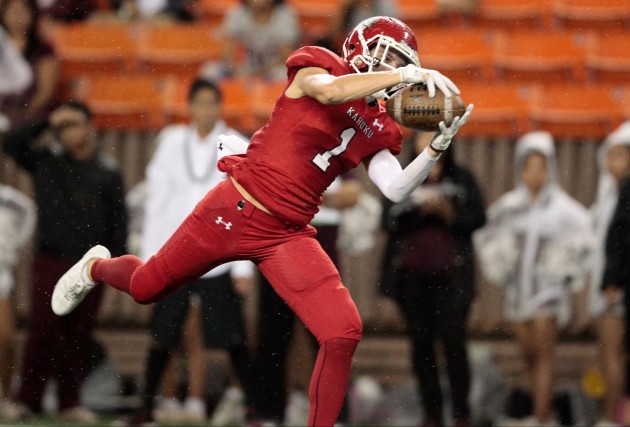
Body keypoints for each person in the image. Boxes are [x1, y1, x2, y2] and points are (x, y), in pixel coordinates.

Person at [51, 16, 473, 427]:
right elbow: (330, 94)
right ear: (363, 47)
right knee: (146, 287)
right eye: (394, 59)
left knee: (343, 331)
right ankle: (96, 267)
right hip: (235, 208)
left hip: (287, 235)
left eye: (404, 65)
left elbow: (396, 188)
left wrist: (434, 148)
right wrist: (399, 78)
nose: (399, 70)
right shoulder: (319, 65)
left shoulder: (380, 124)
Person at [119, 78, 256, 426]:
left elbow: (245, 203)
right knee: (162, 334)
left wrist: (243, 268)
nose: (206, 110)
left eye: (212, 103)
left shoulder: (235, 143)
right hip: (173, 253)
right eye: (200, 103)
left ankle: (255, 410)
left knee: (233, 337)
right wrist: (149, 259)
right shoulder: (171, 142)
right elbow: (156, 202)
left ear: (219, 107)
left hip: (219, 255)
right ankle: (145, 408)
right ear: (191, 106)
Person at [1, 100, 127, 423]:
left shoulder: (107, 172)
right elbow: (10, 143)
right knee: (42, 331)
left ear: (90, 127)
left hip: (91, 267)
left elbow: (118, 226)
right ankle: (27, 400)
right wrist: (47, 119)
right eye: (63, 127)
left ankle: (71, 401)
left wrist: (115, 273)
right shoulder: (47, 163)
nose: (67, 133)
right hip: (51, 261)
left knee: (78, 334)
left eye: (73, 124)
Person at [474, 131, 593, 426]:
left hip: (547, 294)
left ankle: (540, 417)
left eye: (542, 167)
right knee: (529, 356)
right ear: (521, 169)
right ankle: (541, 411)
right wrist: (500, 261)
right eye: (530, 167)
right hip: (517, 294)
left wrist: (564, 269)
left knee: (543, 356)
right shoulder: (510, 206)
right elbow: (485, 235)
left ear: (550, 169)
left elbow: (586, 240)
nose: (536, 174)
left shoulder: (563, 209)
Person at [379, 131, 486, 427]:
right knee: (421, 346)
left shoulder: (462, 178)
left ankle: (461, 413)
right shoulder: (401, 177)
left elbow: (478, 218)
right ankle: (432, 413)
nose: (426, 142)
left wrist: (449, 212)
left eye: (433, 135)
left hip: (453, 279)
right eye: (421, 136)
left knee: (454, 343)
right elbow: (386, 220)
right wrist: (416, 210)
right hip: (412, 280)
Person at [250, 176, 361, 425]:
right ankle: (270, 413)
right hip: (278, 253)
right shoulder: (278, 147)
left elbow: (351, 195)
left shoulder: (335, 149)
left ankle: (335, 416)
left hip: (321, 260)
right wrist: (320, 198)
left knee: (331, 339)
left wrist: (298, 197)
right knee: (273, 338)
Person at [599, 123, 630, 427]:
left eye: (619, 155)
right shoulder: (612, 193)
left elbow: (619, 240)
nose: (612, 162)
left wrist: (611, 281)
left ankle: (615, 416)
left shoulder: (626, 192)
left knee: (615, 355)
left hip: (620, 287)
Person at [0, 185, 36, 417]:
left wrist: (10, 249)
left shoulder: (10, 199)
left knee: (6, 339)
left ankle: (4, 399)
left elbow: (29, 214)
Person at [0, 0, 59, 129]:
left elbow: (45, 91)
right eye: (13, 12)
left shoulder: (43, 49)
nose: (17, 17)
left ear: (33, 15)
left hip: (32, 113)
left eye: (22, 12)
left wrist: (24, 113)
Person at [218, 0, 301, 81]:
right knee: (212, 71)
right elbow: (228, 53)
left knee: (284, 75)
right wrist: (237, 71)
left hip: (273, 69)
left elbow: (285, 57)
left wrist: (257, 74)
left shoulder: (286, 15)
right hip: (244, 68)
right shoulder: (237, 13)